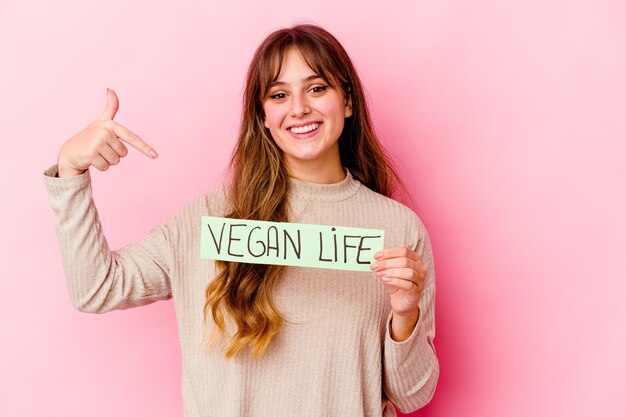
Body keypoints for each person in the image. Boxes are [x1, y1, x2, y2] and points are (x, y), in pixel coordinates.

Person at [43, 23, 439, 417]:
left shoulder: (397, 230)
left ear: (347, 102)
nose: (299, 107)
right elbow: (95, 287)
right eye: (279, 94)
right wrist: (71, 172)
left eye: (317, 88)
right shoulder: (207, 220)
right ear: (263, 116)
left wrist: (406, 314)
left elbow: (412, 396)